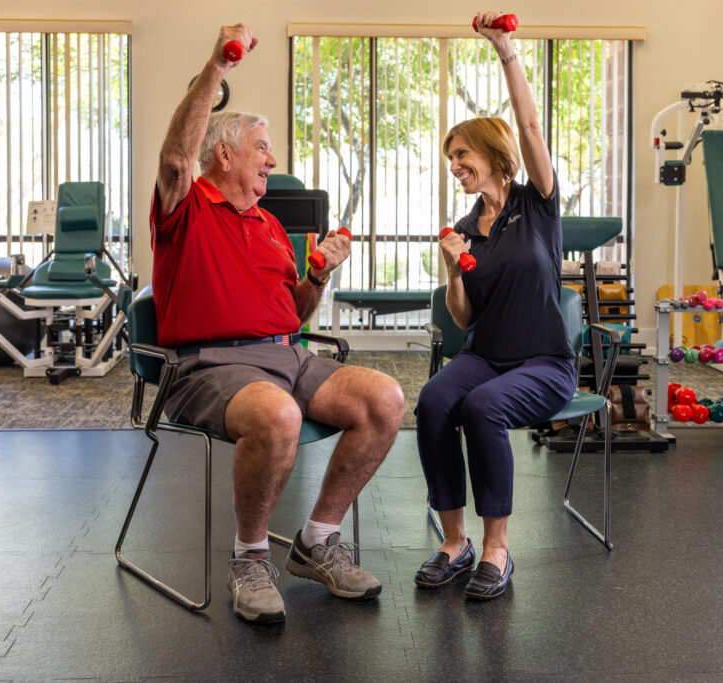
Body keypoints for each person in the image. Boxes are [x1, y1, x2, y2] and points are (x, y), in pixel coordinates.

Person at [151, 24, 405, 624]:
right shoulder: (185, 206)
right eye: (261, 147)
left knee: (386, 398)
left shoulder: (268, 226)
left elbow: (292, 316)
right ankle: (250, 557)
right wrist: (217, 64)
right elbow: (172, 157)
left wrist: (317, 274)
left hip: (287, 355)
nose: (272, 160)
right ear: (223, 154)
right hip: (206, 365)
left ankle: (317, 540)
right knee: (278, 414)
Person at [413, 12, 578, 600]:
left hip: (542, 362)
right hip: (485, 353)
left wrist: (505, 49)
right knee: (434, 401)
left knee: (482, 409)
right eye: (450, 160)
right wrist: (455, 267)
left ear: (490, 151)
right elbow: (462, 318)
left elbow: (530, 125)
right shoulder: (465, 227)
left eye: (461, 155)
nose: (455, 167)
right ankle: (453, 543)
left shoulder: (537, 203)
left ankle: (497, 550)